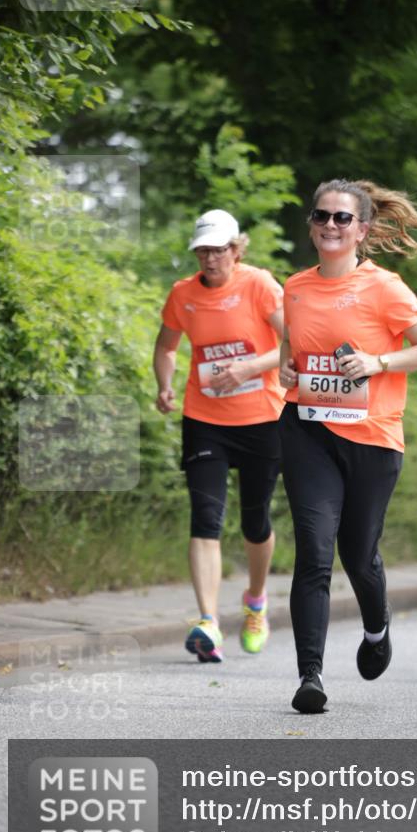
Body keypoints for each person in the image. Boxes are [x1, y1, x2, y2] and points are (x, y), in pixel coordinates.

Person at [278, 178, 417, 713]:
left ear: (362, 230)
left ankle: (377, 627)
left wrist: (378, 362)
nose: (330, 225)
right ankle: (311, 677)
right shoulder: (295, 286)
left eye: (342, 219)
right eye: (321, 216)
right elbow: (293, 351)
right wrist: (286, 366)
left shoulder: (385, 287)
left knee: (359, 555)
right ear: (311, 225)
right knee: (314, 551)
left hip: (372, 437)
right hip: (308, 430)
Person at [153, 209, 284, 663]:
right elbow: (167, 346)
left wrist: (249, 367)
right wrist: (164, 384)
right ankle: (208, 621)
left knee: (254, 521)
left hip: (262, 418)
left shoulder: (259, 284)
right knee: (205, 517)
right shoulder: (183, 294)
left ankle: (255, 601)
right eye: (203, 250)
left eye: (219, 250)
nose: (211, 258)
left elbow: (296, 341)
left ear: (237, 249)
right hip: (205, 417)